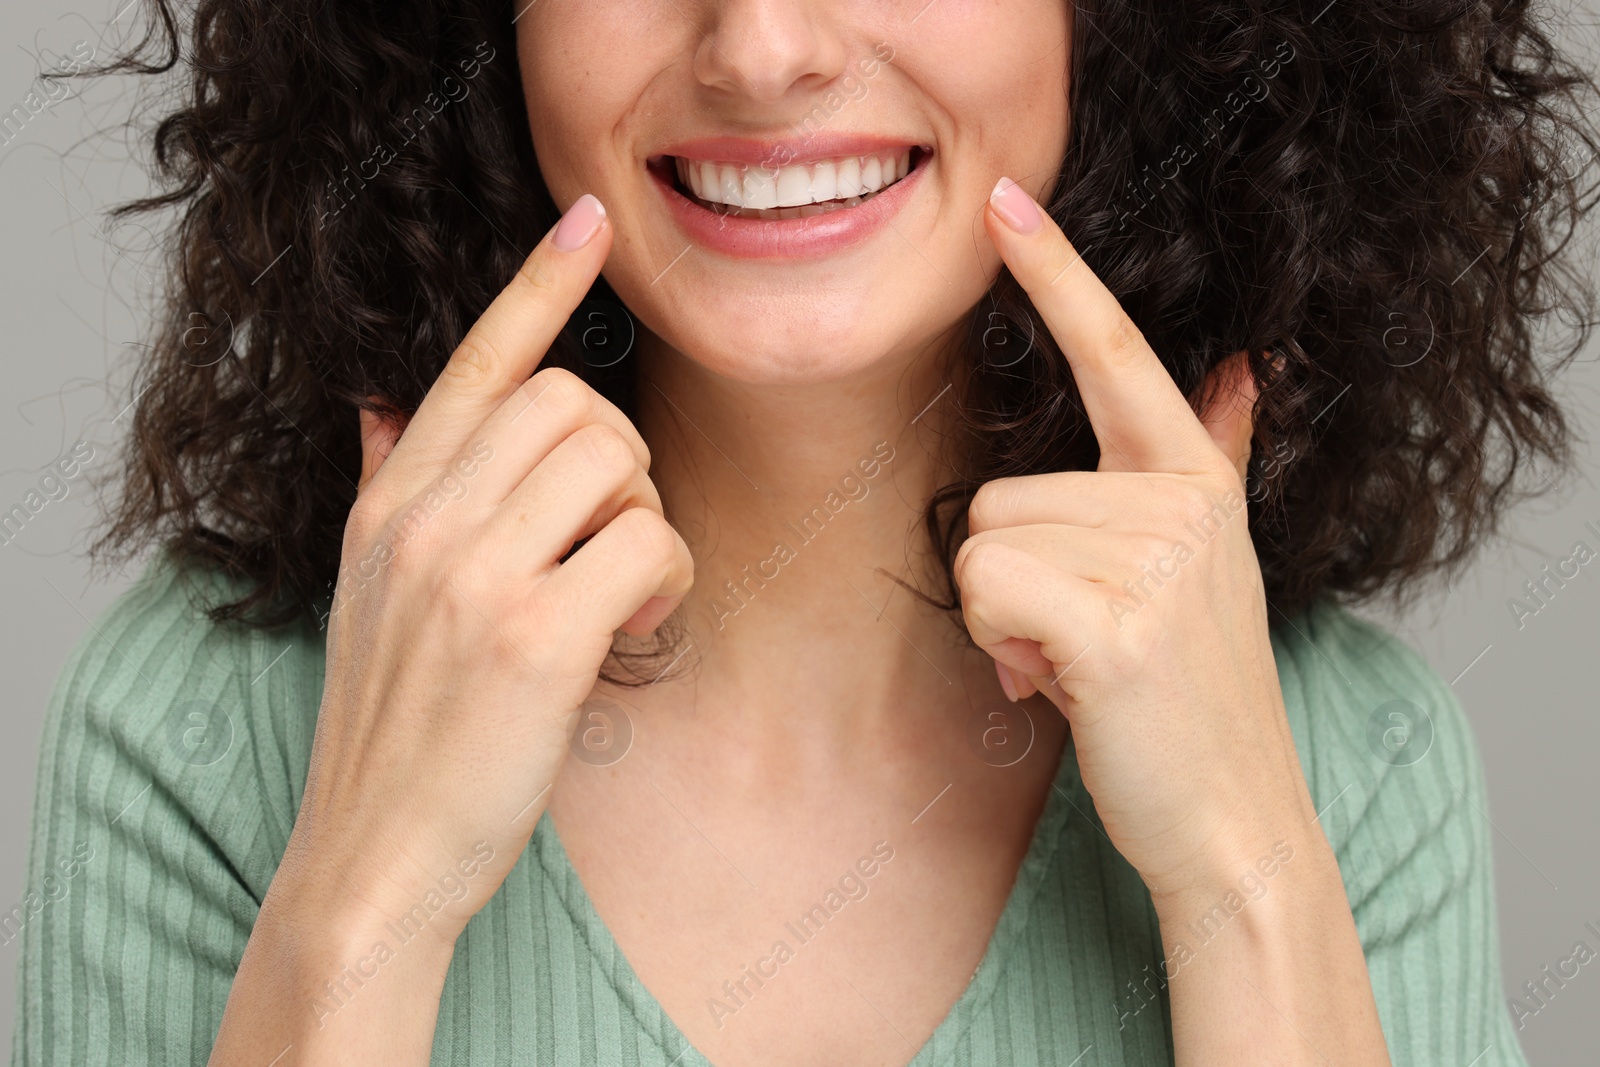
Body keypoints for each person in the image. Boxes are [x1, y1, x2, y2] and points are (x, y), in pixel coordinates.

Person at [11, 0, 1598, 1064]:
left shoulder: (1354, 769)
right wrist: (369, 891)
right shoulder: (205, 739)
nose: (761, 50)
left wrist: (1248, 880)